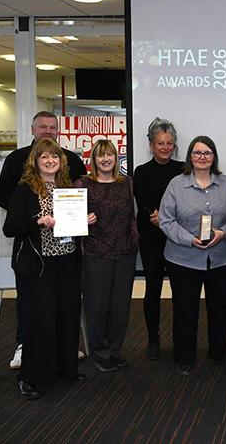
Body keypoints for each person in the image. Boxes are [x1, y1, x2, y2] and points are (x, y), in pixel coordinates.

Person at [0, 110, 86, 370]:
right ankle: (27, 354)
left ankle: (64, 358)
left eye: (52, 127)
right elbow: (6, 208)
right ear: (33, 130)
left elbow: (82, 196)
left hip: (66, 257)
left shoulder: (70, 170)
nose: (48, 131)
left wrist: (82, 217)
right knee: (35, 311)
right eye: (42, 126)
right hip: (36, 257)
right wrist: (31, 216)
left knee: (65, 309)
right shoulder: (19, 169)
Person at [159, 135, 226, 376]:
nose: (202, 157)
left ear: (214, 157)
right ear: (190, 157)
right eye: (197, 153)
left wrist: (223, 233)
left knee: (220, 307)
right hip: (183, 258)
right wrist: (189, 239)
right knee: (185, 308)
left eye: (207, 153)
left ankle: (220, 352)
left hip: (223, 258)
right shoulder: (176, 185)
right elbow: (166, 220)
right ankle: (184, 356)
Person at [75, 139, 138, 373]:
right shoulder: (83, 184)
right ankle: (100, 353)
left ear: (116, 157)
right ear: (94, 159)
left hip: (125, 253)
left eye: (109, 154)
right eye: (100, 155)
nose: (105, 159)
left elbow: (132, 215)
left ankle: (114, 351)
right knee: (97, 306)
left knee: (120, 307)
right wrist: (82, 220)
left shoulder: (126, 183)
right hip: (95, 253)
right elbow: (69, 217)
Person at [133, 118, 184, 360]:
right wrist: (162, 219)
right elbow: (143, 203)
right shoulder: (142, 171)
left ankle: (180, 341)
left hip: (178, 238)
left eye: (169, 143)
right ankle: (153, 340)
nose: (165, 147)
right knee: (152, 289)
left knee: (181, 291)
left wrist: (168, 221)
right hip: (151, 237)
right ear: (151, 145)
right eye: (160, 143)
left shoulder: (183, 169)